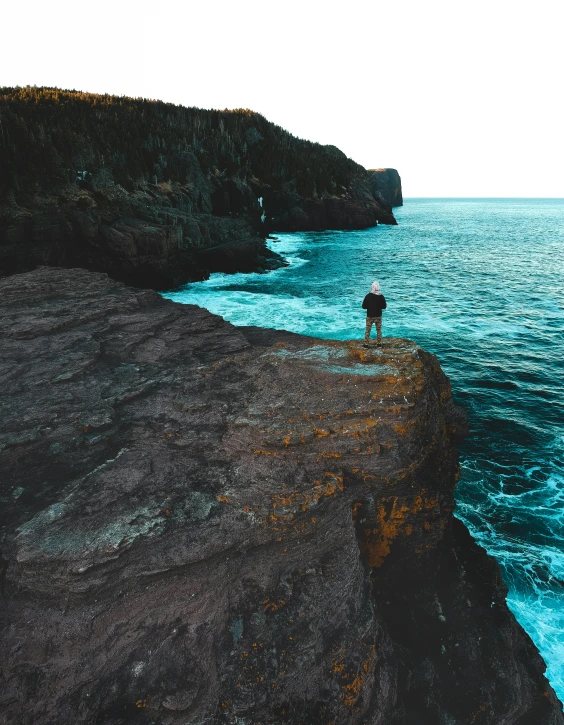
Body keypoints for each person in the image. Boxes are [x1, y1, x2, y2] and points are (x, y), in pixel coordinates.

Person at [362, 281, 387, 345]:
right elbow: (384, 307)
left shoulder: (368, 296)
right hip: (378, 316)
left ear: (372, 287)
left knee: (367, 331)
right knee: (379, 330)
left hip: (370, 315)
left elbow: (363, 306)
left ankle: (366, 344)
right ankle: (379, 344)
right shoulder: (381, 296)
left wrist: (369, 306)